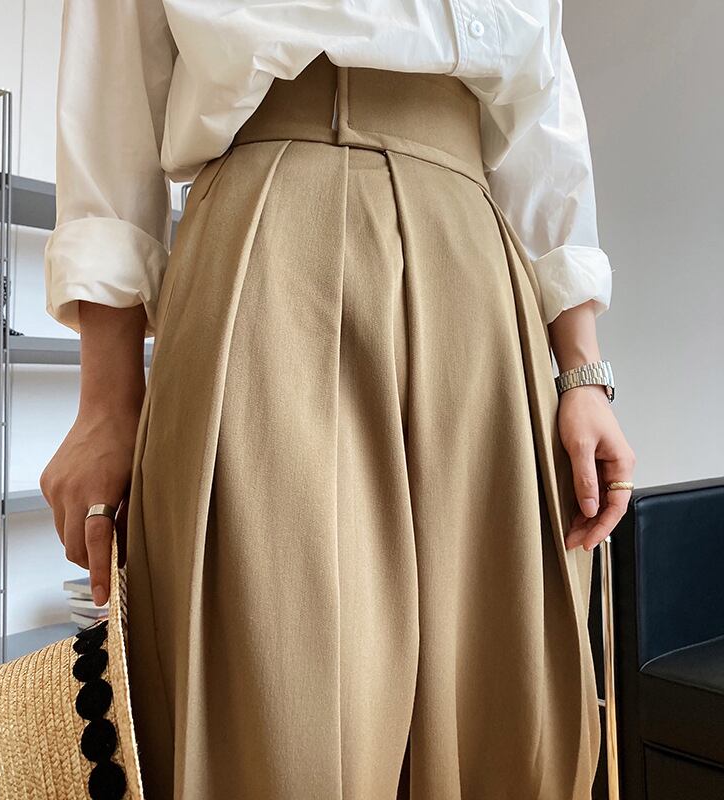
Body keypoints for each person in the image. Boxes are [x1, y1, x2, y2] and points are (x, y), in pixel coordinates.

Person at [39, 2, 637, 798]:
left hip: (478, 266)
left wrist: (582, 370)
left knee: (503, 712)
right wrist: (106, 402)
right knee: (279, 722)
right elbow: (110, 101)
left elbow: (542, 115)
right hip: (263, 242)